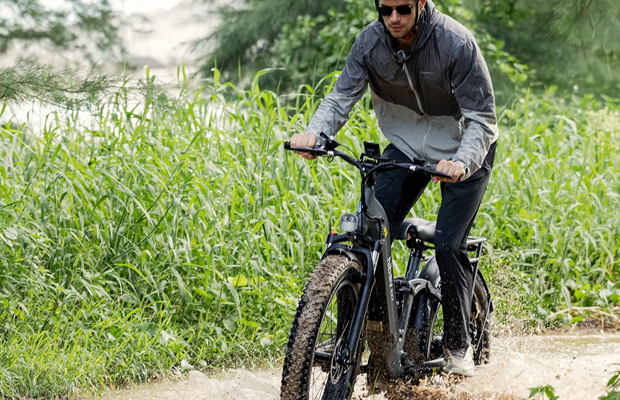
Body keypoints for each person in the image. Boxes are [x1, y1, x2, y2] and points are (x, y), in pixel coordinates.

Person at [289, 0, 497, 377]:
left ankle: (457, 346)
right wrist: (316, 134)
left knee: (449, 243)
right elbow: (340, 97)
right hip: (406, 147)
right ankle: (362, 338)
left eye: (403, 8)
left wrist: (462, 162)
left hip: (464, 148)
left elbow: (482, 119)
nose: (394, 19)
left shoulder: (455, 43)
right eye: (385, 10)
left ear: (420, 3)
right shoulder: (370, 43)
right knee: (368, 231)